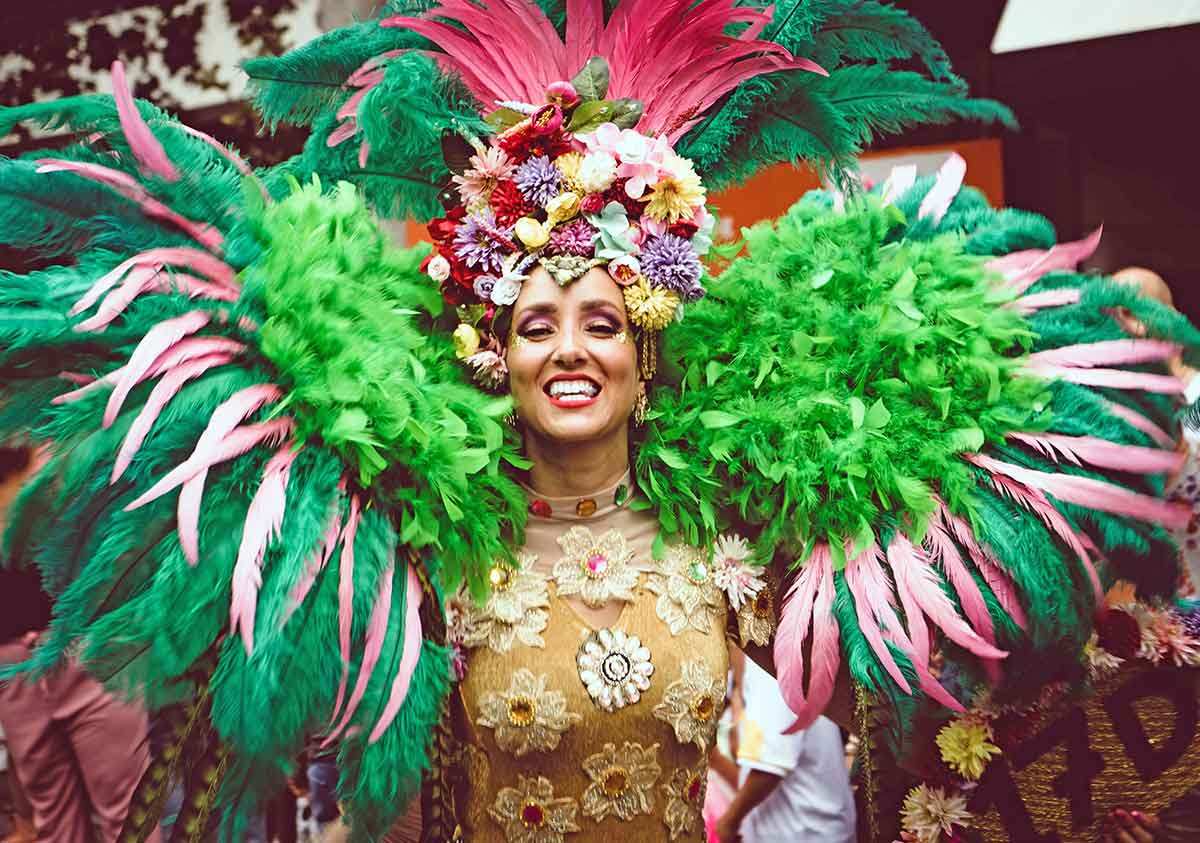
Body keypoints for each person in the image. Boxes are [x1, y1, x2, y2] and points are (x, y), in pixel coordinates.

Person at [0, 2, 1193, 840]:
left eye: (603, 321)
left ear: (644, 352)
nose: (571, 347)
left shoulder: (741, 542)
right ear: (495, 354)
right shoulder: (430, 552)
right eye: (535, 324)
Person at [0, 445, 158, 843]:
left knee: (126, 821)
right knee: (55, 826)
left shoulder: (54, 439)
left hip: (81, 642)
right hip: (10, 660)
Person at [714, 656, 854, 843]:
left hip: (805, 832)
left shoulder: (770, 670)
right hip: (798, 827)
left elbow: (769, 769)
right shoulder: (746, 674)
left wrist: (728, 823)